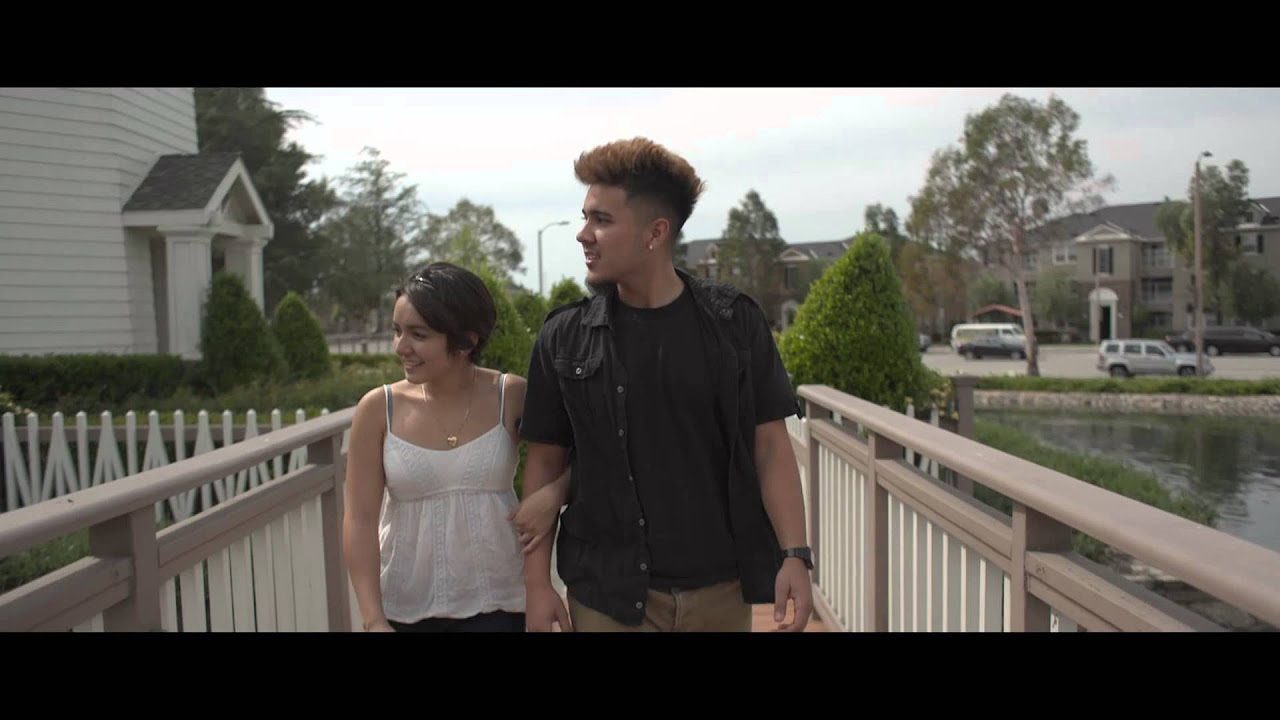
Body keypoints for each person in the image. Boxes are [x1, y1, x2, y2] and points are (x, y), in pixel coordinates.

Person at [514, 137, 813, 632]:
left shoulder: (735, 325)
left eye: (601, 220)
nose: (584, 234)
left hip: (720, 591)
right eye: (585, 217)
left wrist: (795, 556)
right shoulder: (564, 337)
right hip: (607, 594)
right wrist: (537, 586)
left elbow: (770, 448)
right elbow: (545, 463)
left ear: (655, 232)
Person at [342, 262, 567, 632]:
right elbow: (359, 520)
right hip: (406, 607)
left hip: (500, 601)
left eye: (418, 334)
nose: (401, 347)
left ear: (467, 341)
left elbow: (583, 455)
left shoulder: (510, 395)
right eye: (397, 331)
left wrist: (554, 494)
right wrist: (373, 619)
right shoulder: (378, 409)